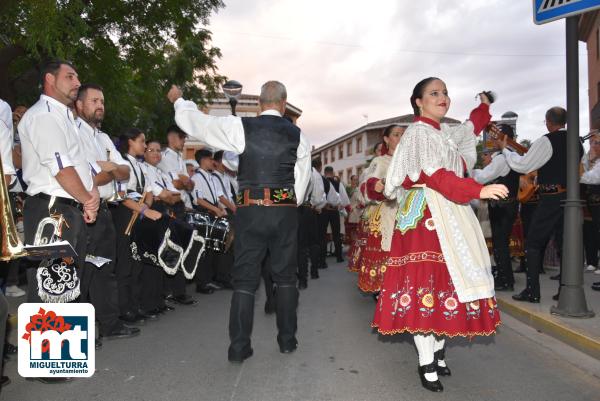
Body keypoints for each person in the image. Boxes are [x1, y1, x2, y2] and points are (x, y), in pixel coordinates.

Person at [372, 77, 507, 392]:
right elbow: (435, 175)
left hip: (449, 213)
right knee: (424, 287)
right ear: (418, 102)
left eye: (445, 92)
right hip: (426, 216)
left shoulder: (442, 133)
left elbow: (470, 128)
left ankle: (438, 350)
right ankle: (426, 360)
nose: (442, 97)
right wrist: (478, 188)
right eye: (434, 93)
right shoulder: (419, 134)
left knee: (448, 284)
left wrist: (484, 106)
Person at [168, 80, 311, 363]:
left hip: (249, 210)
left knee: (245, 279)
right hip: (283, 210)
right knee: (284, 277)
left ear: (259, 104)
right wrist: (288, 205)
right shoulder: (298, 136)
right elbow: (301, 181)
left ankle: (239, 347)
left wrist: (179, 102)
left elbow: (200, 125)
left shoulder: (242, 128)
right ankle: (287, 340)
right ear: (283, 105)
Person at [75, 83, 140, 341]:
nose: (100, 105)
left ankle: (110, 325)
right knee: (82, 273)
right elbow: (88, 177)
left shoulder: (103, 138)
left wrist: (109, 168)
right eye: (94, 101)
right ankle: (82, 334)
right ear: (79, 105)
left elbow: (126, 172)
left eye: (102, 101)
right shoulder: (73, 133)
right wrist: (111, 170)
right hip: (83, 210)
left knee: (105, 271)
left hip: (104, 211)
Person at [500, 107, 583, 303]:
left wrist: (505, 149)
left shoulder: (547, 141)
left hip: (551, 198)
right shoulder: (577, 142)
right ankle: (565, 289)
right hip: (570, 199)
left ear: (548, 121)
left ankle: (532, 290)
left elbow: (523, 165)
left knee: (533, 244)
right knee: (565, 244)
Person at [472, 124, 521, 292]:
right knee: (501, 243)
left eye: (495, 136)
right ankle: (504, 277)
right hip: (508, 204)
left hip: (502, 206)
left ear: (503, 138)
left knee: (500, 244)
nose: (492, 139)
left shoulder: (502, 158)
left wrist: (469, 172)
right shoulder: (512, 155)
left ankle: (505, 280)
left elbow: (483, 177)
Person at [357, 124, 404, 295]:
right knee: (389, 259)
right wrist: (376, 185)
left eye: (403, 135)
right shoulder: (380, 161)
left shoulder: (411, 162)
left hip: (411, 216)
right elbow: (367, 183)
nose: (400, 138)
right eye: (396, 134)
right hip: (389, 216)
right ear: (386, 139)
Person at [191, 148, 225, 294]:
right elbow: (198, 199)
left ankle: (209, 280)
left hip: (213, 212)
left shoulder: (209, 176)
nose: (213, 162)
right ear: (204, 160)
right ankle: (201, 283)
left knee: (211, 248)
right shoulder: (196, 178)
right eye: (211, 159)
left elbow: (215, 197)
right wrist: (215, 209)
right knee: (203, 249)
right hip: (203, 214)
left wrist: (219, 208)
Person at [322, 166, 350, 263]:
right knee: (336, 234)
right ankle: (339, 257)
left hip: (324, 210)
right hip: (334, 210)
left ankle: (322, 257)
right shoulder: (338, 183)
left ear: (324, 173)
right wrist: (339, 205)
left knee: (323, 233)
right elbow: (345, 200)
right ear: (332, 173)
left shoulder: (321, 182)